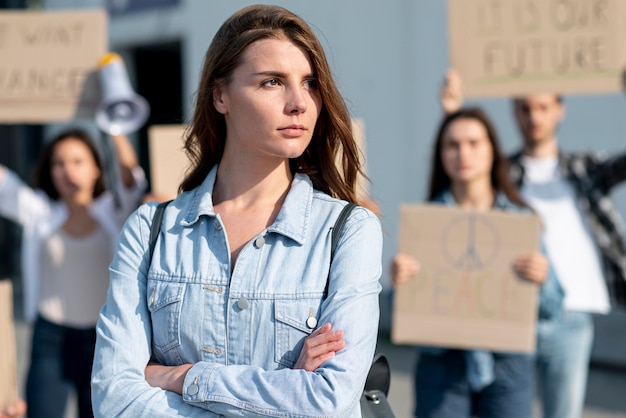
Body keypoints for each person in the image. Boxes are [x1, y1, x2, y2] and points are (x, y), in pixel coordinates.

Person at [91, 4, 383, 417]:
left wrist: (182, 377)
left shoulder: (348, 231)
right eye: (271, 82)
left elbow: (328, 401)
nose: (299, 102)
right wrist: (283, 393)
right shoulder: (150, 230)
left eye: (310, 83)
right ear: (220, 95)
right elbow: (114, 400)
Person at [441, 69, 626, 418]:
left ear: (560, 109)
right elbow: (463, 171)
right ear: (514, 113)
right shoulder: (502, 174)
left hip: (571, 316)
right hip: (512, 314)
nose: (534, 117)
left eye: (543, 107)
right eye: (525, 108)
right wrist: (453, 112)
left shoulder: (584, 169)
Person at [391, 107, 563, 418]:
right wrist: (400, 282)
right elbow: (398, 314)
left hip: (508, 364)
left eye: (474, 143)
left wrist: (543, 278)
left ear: (492, 151)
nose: (463, 153)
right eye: (452, 145)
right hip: (441, 365)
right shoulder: (424, 226)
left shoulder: (520, 222)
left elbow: (553, 306)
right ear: (441, 154)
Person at [0, 129, 146, 418]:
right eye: (59, 163)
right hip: (50, 339)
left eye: (77, 161)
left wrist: (113, 122)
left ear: (95, 168)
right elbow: (4, 185)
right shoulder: (40, 212)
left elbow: (131, 177)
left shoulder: (114, 211)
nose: (68, 171)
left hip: (104, 341)